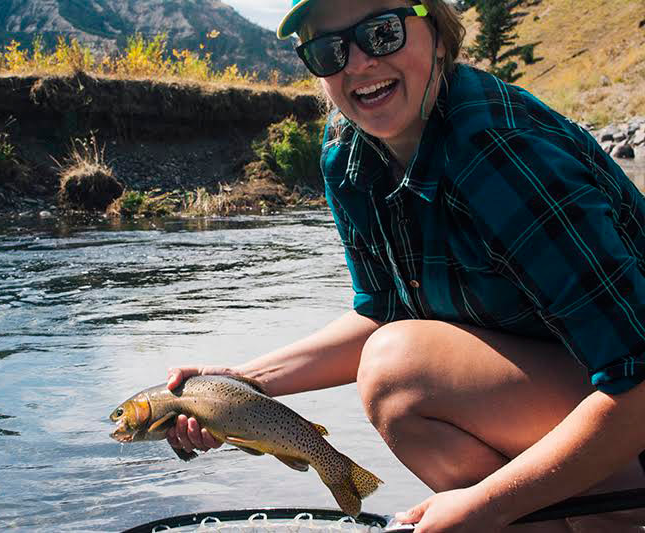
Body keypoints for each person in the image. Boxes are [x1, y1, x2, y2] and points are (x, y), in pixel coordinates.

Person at [165, 1, 645, 531]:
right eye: (329, 50)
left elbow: (639, 376)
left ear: (437, 32)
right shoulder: (347, 154)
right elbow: (384, 314)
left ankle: (612, 516)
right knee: (396, 368)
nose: (357, 64)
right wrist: (244, 383)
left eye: (382, 32)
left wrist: (486, 504)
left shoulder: (502, 154)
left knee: (398, 373)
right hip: (580, 392)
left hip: (631, 402)